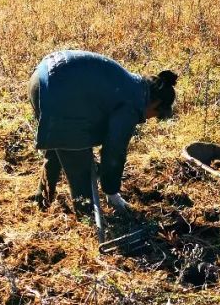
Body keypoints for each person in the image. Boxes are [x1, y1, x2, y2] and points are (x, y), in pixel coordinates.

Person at [28, 51, 177, 216]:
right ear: (156, 103)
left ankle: (41, 201)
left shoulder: (131, 85)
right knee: (80, 166)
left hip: (42, 78)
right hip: (58, 90)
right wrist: (111, 190)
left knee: (61, 145)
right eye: (155, 115)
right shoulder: (132, 105)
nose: (149, 119)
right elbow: (114, 150)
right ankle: (86, 216)